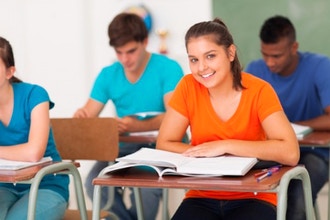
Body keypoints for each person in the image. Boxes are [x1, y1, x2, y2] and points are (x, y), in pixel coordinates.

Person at [156, 17, 299, 220]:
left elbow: (290, 152)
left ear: (230, 53)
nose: (201, 67)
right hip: (201, 195)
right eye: (194, 59)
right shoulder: (188, 87)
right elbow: (164, 143)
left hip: (254, 196)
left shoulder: (259, 91)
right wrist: (204, 153)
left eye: (210, 56)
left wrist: (225, 146)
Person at [73, 12, 184, 220]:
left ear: (145, 42)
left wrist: (134, 126)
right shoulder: (109, 74)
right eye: (119, 52)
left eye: (131, 51)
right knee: (93, 183)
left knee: (146, 191)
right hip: (122, 148)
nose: (125, 59)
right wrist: (83, 119)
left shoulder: (168, 68)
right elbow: (88, 113)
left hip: (161, 148)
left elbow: (175, 116)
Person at [245, 15, 330, 220]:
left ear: (294, 47)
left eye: (277, 56)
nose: (270, 62)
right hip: (269, 155)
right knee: (247, 202)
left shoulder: (321, 67)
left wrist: (288, 127)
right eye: (265, 55)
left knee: (296, 203)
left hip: (313, 153)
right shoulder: (254, 70)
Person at [0, 36, 69, 220]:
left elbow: (33, 153)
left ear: (9, 72)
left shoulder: (35, 95)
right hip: (4, 187)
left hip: (46, 185)